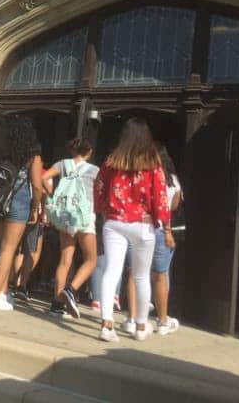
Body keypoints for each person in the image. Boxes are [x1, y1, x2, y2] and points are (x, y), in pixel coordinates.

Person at [93, 117, 170, 342]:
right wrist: (162, 222)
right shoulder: (152, 162)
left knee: (112, 270)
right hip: (143, 224)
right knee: (141, 276)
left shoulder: (112, 160)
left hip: (115, 222)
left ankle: (107, 324)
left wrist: (103, 210)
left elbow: (98, 186)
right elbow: (160, 195)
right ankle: (140, 326)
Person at [0, 116, 44, 311]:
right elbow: (36, 185)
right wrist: (36, 207)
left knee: (3, 248)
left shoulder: (1, 151)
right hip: (19, 200)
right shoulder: (32, 153)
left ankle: (2, 292)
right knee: (9, 249)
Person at [124, 143, 182, 336]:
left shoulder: (138, 175)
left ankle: (132, 319)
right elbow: (172, 207)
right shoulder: (172, 180)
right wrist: (167, 230)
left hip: (138, 226)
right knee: (159, 275)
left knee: (135, 273)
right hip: (160, 229)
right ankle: (163, 321)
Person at [43, 138, 99, 319]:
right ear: (89, 152)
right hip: (83, 217)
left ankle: (56, 304)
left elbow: (44, 177)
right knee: (91, 260)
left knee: (65, 260)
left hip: (64, 215)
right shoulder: (93, 170)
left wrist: (51, 196)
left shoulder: (62, 164)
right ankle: (70, 289)